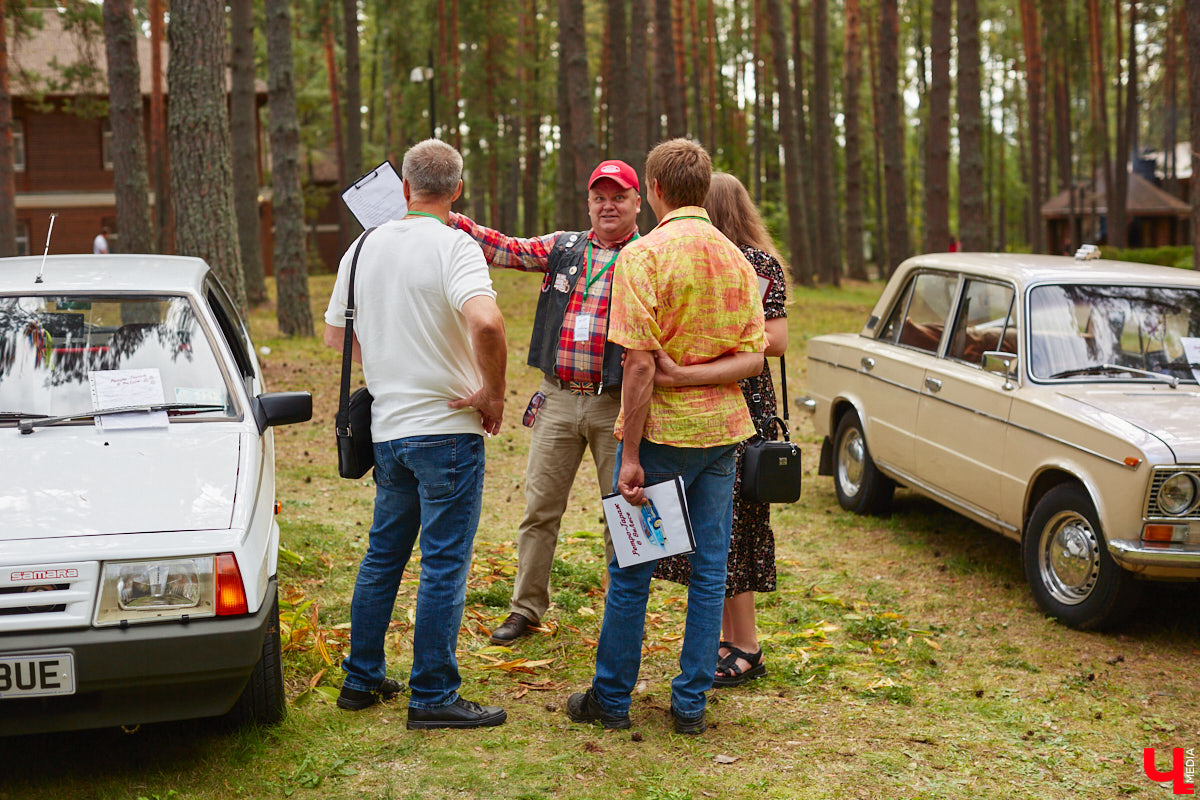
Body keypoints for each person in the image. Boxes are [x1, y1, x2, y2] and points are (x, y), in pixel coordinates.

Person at [565, 139, 765, 735]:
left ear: (652, 190)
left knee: (634, 567)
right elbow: (753, 359)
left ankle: (613, 697)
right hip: (722, 436)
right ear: (703, 189)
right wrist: (699, 375)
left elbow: (640, 365)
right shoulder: (738, 260)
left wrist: (629, 455)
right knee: (709, 570)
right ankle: (691, 704)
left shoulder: (644, 257)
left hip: (660, 439)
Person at [322, 138, 509, 730]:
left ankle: (361, 678)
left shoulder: (362, 246)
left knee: (383, 556)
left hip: (389, 429)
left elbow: (336, 338)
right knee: (444, 563)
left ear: (404, 188)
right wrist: (492, 392)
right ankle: (432, 695)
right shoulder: (456, 246)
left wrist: (388, 359)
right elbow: (486, 321)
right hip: (448, 429)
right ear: (457, 190)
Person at [448, 159, 642, 645]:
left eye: (618, 196)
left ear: (637, 202)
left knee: (622, 513)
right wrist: (450, 220)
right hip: (556, 399)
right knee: (539, 511)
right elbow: (505, 249)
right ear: (589, 203)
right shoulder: (564, 248)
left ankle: (621, 618)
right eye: (599, 196)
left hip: (616, 404)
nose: (607, 205)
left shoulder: (647, 256)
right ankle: (526, 609)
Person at [651, 172, 788, 687]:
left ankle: (746, 645)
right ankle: (727, 639)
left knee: (735, 526)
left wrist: (715, 334)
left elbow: (775, 340)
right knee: (715, 528)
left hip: (741, 405)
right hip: (700, 401)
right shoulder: (691, 256)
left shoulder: (754, 263)